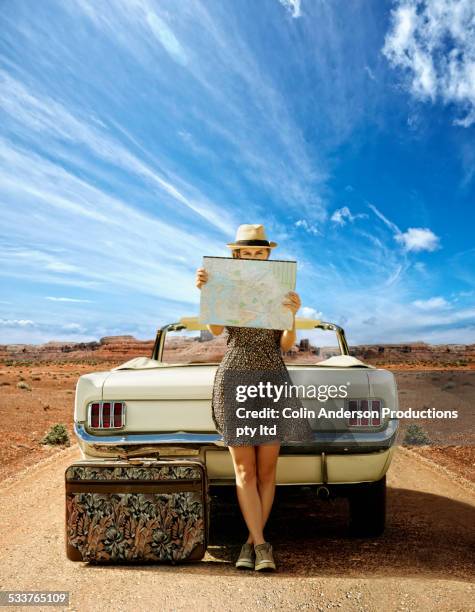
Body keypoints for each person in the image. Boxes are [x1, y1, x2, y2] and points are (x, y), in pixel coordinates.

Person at [195, 224, 314, 572]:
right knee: (244, 469)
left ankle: (249, 543)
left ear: (268, 256)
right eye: (247, 253)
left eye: (260, 253)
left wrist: (293, 315)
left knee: (267, 470)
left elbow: (285, 345)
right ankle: (263, 545)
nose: (254, 258)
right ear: (236, 256)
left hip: (273, 379)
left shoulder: (280, 289)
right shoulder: (225, 287)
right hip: (234, 379)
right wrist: (204, 290)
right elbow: (215, 330)